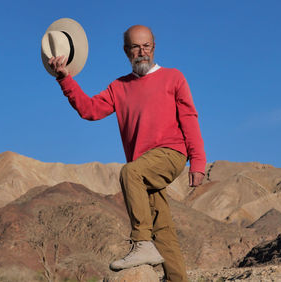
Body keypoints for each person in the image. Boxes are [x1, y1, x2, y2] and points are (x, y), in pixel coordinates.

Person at [48, 25, 206, 282]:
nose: (142, 52)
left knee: (129, 172)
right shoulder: (119, 87)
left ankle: (141, 242)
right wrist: (64, 78)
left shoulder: (173, 77)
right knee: (163, 230)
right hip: (143, 168)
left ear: (154, 48)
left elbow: (189, 118)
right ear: (126, 51)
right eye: (136, 47)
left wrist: (198, 161)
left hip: (170, 154)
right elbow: (90, 110)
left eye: (147, 46)